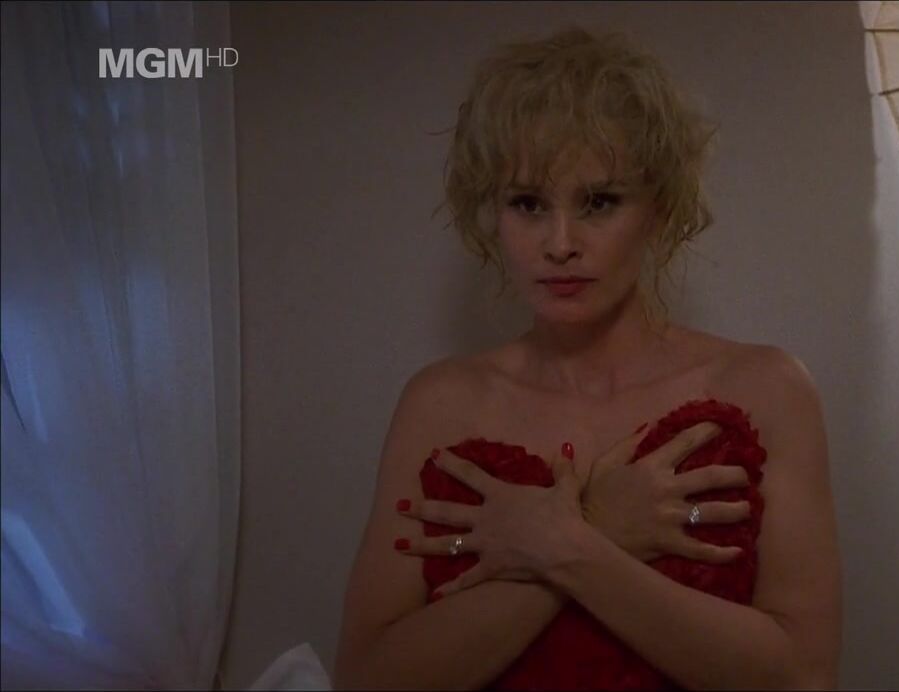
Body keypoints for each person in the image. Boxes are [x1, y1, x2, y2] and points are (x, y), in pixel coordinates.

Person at [334, 25, 842, 690]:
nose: (560, 242)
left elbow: (804, 678)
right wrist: (597, 525)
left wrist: (573, 547)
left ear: (658, 208)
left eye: (599, 202)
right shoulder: (441, 403)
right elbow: (366, 679)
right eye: (527, 203)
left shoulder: (767, 388)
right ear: (492, 213)